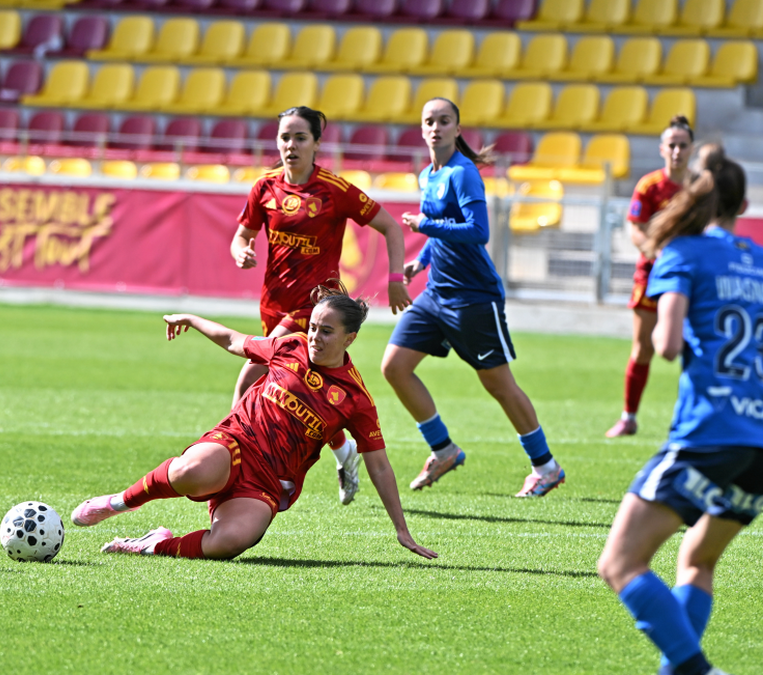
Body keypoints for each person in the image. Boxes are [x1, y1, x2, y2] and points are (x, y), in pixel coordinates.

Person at [595, 145, 763, 675]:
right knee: (697, 560)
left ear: (696, 197)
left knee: (620, 562)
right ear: (743, 205)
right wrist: (759, 393)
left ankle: (699, 671)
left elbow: (667, 344)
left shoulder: (683, 253)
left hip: (710, 435)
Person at [70, 282, 437, 562]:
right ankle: (116, 503)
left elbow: (380, 466)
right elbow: (234, 341)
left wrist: (401, 530)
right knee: (190, 472)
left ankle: (152, 545)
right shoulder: (290, 346)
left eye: (326, 331)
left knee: (229, 543)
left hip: (268, 480)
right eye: (313, 327)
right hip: (236, 442)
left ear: (349, 338)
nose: (314, 337)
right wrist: (191, 319)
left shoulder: (356, 399)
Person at [381, 97, 565, 498]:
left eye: (444, 121)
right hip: (436, 293)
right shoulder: (428, 174)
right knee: (394, 366)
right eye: (430, 121)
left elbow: (478, 231)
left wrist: (426, 225)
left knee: (498, 384)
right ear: (422, 128)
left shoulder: (463, 173)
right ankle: (443, 450)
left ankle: (546, 467)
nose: (436, 127)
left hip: (473, 297)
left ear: (457, 129)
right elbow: (441, 230)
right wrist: (420, 261)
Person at [230, 106, 412, 507]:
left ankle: (237, 459)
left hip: (315, 308)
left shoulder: (334, 190)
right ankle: (344, 452)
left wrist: (395, 278)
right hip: (273, 305)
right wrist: (241, 249)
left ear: (316, 143)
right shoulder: (264, 188)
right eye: (285, 137)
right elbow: (241, 235)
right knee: (309, 390)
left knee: (249, 378)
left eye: (300, 137)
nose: (290, 145)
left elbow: (390, 226)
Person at [606, 116, 695, 438]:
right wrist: (659, 254)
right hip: (652, 276)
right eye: (672, 145)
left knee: (694, 348)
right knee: (643, 348)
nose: (677, 151)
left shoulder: (700, 187)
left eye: (682, 145)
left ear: (691, 149)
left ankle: (690, 418)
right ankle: (628, 417)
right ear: (662, 149)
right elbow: (635, 229)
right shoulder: (649, 185)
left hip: (691, 278)